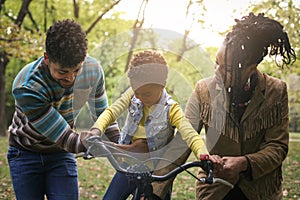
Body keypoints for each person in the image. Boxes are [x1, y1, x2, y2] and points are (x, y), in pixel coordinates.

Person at [184, 12, 296, 199]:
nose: (218, 73)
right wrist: (158, 187)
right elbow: (183, 137)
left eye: (227, 69)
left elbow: (277, 147)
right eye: (216, 64)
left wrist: (244, 163)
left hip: (260, 190)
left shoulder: (276, 91)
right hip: (215, 188)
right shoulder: (203, 90)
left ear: (251, 69)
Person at [7, 19, 119, 200]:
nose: (71, 78)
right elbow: (67, 139)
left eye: (76, 70)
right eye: (62, 72)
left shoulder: (93, 71)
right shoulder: (27, 87)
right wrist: (100, 145)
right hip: (25, 153)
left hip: (60, 155)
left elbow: (103, 114)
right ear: (46, 58)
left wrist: (120, 143)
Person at [89, 50, 213, 200]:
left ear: (162, 85)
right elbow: (112, 111)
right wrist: (97, 130)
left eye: (146, 94)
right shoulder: (134, 94)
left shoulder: (171, 110)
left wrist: (204, 154)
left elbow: (191, 135)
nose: (139, 98)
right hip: (128, 165)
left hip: (157, 172)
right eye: (136, 92)